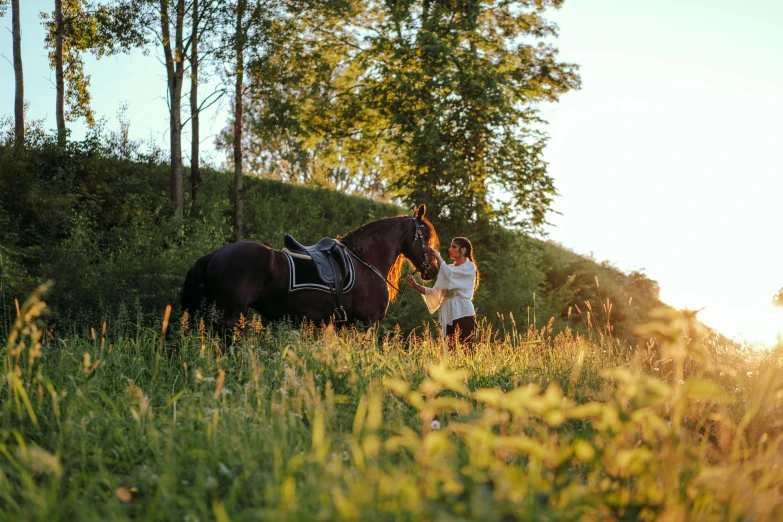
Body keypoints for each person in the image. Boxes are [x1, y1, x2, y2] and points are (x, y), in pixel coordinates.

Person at [406, 237, 480, 349]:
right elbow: (435, 292)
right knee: (451, 353)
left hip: (463, 314)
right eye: (450, 246)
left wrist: (438, 257)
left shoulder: (469, 267)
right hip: (448, 315)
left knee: (467, 352)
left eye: (454, 246)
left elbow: (448, 273)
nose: (450, 249)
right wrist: (416, 286)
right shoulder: (449, 268)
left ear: (463, 250)